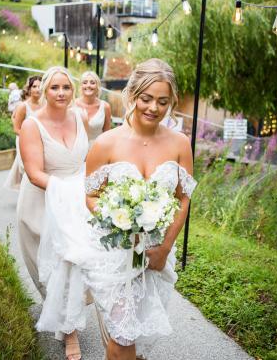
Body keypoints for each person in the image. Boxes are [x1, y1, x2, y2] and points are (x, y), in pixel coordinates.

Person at [83, 58, 197, 360]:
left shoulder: (180, 144)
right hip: (116, 253)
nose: (153, 108)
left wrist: (165, 247)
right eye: (146, 99)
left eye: (162, 101)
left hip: (157, 252)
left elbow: (183, 198)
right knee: (122, 335)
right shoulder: (106, 144)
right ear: (132, 94)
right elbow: (91, 196)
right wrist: (117, 221)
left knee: (138, 335)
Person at [18, 66, 89, 360]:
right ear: (44, 90)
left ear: (72, 91)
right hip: (43, 202)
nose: (61, 93)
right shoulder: (31, 126)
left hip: (78, 200)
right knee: (58, 266)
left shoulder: (80, 117)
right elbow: (35, 173)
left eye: (66, 88)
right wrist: (70, 191)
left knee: (81, 262)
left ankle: (72, 316)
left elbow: (89, 157)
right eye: (54, 88)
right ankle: (69, 333)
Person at [4, 76, 42, 190]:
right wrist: (30, 139)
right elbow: (16, 129)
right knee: (25, 168)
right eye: (34, 86)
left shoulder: (45, 106)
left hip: (41, 141)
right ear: (29, 89)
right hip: (24, 141)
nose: (37, 89)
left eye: (40, 86)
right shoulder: (23, 106)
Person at [75, 71, 112, 148]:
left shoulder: (105, 107)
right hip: (77, 148)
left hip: (97, 149)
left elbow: (107, 135)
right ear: (81, 86)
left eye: (92, 83)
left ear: (97, 86)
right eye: (85, 82)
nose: (88, 85)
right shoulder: (73, 105)